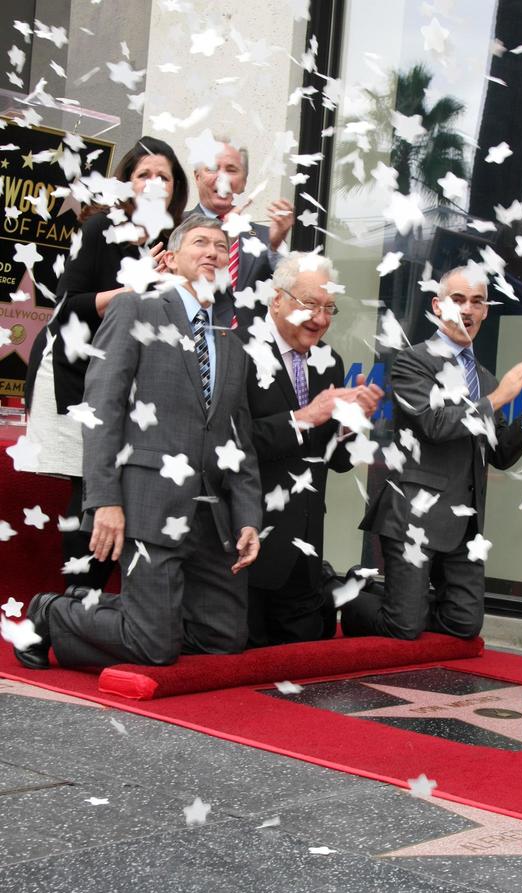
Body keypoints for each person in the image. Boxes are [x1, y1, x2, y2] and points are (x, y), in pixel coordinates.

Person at [14, 215, 261, 671]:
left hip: (212, 518)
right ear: (172, 255)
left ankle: (143, 622)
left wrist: (248, 516)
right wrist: (103, 498)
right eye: (200, 242)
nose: (211, 251)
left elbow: (238, 436)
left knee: (224, 641)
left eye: (219, 245)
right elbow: (101, 408)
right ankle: (50, 611)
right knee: (156, 648)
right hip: (148, 505)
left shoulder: (230, 337)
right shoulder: (136, 309)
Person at [341, 266, 522, 641]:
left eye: (477, 302)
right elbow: (433, 424)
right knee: (403, 627)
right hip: (412, 514)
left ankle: (400, 601)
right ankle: (348, 596)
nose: (467, 310)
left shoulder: (487, 379)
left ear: (486, 311)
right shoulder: (413, 361)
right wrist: (500, 398)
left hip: (463, 523)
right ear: (437, 306)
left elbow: (500, 456)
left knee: (464, 625)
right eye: (457, 300)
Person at [24, 136, 189, 591]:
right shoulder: (99, 229)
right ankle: (68, 611)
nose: (155, 184)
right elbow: (67, 306)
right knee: (92, 492)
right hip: (74, 373)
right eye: (144, 175)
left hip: (127, 384)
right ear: (126, 184)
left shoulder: (170, 242)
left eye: (165, 177)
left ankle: (87, 612)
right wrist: (136, 289)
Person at [245, 253, 383, 647]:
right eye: (309, 305)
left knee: (301, 674)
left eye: (328, 309)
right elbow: (233, 443)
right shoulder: (239, 350)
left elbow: (337, 461)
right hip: (250, 541)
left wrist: (350, 423)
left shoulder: (329, 361)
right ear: (276, 299)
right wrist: (304, 416)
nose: (320, 319)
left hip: (306, 544)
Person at [186, 137, 294, 334]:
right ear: (197, 176)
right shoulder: (176, 229)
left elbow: (290, 290)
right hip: (197, 346)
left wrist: (276, 245)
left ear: (243, 182)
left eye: (231, 170)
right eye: (212, 168)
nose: (222, 178)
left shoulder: (265, 237)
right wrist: (223, 237)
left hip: (252, 353)